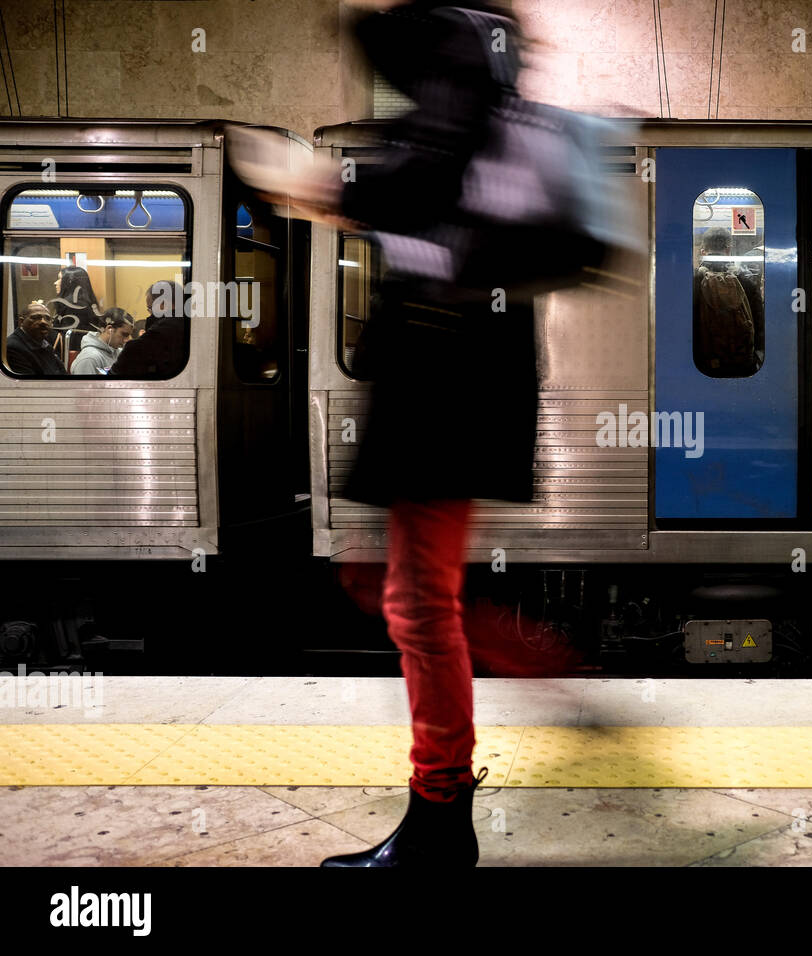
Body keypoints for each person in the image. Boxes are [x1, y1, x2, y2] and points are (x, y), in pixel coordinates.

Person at [245, 0, 532, 868]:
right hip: (451, 393)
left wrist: (327, 185)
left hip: (444, 397)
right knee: (402, 591)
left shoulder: (460, 84)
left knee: (415, 603)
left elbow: (424, 185)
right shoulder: (489, 86)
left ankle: (442, 811)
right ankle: (450, 796)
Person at [693, 226, 762, 376]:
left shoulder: (693, 282)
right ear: (729, 250)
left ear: (703, 251)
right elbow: (760, 327)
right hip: (742, 366)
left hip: (704, 367)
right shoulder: (747, 281)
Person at [108, 281, 188, 379]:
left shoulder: (160, 333)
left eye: (150, 308)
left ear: (163, 304)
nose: (150, 314)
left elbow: (114, 378)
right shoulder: (193, 326)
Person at [5, 301, 68, 376]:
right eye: (36, 317)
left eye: (47, 318)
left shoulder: (44, 344)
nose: (43, 322)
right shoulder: (12, 348)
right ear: (21, 321)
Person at [70, 308, 134, 374]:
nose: (127, 340)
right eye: (124, 334)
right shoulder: (89, 359)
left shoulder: (118, 353)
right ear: (110, 329)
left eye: (129, 335)